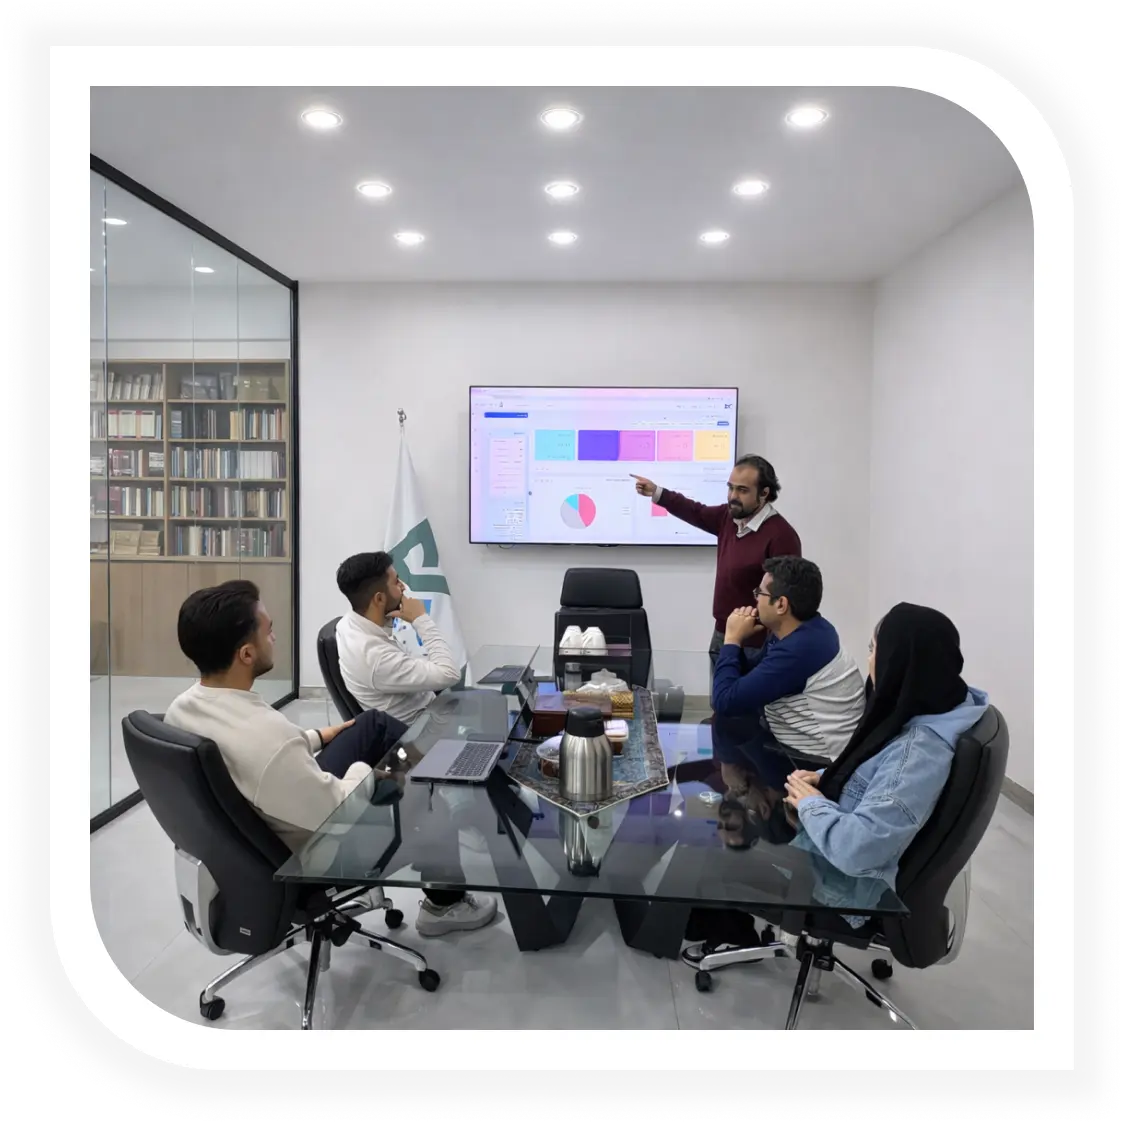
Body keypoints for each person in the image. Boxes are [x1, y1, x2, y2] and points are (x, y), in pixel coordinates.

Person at [165, 579, 496, 937]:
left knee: (373, 725)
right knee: (424, 791)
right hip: (320, 847)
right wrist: (368, 770)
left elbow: (257, 758)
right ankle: (444, 906)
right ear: (246, 654)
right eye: (269, 631)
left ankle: (440, 767)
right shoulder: (268, 739)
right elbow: (339, 807)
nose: (274, 637)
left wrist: (315, 738)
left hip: (278, 808)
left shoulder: (182, 708)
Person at [782, 602, 989, 922]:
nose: (869, 660)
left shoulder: (919, 753)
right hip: (835, 848)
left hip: (842, 887)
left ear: (898, 662)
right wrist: (830, 777)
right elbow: (881, 772)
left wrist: (812, 804)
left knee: (719, 858)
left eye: (873, 650)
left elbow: (858, 850)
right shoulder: (939, 703)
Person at [631, 454, 801, 667]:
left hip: (758, 645)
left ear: (764, 493)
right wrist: (658, 493)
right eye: (731, 488)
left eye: (742, 490)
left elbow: (786, 599)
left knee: (746, 691)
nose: (733, 496)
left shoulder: (781, 536)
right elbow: (695, 511)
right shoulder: (728, 518)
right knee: (719, 689)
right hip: (723, 633)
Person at [710, 556, 866, 768]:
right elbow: (753, 674)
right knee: (727, 727)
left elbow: (724, 701)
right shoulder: (810, 629)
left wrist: (731, 640)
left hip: (811, 763)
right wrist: (737, 643)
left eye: (760, 593)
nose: (756, 600)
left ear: (781, 604)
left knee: (725, 728)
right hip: (791, 740)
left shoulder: (799, 649)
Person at [335, 551, 461, 724]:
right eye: (396, 582)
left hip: (429, 708)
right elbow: (450, 674)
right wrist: (420, 619)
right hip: (422, 730)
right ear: (379, 599)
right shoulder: (376, 658)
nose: (403, 587)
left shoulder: (349, 622)